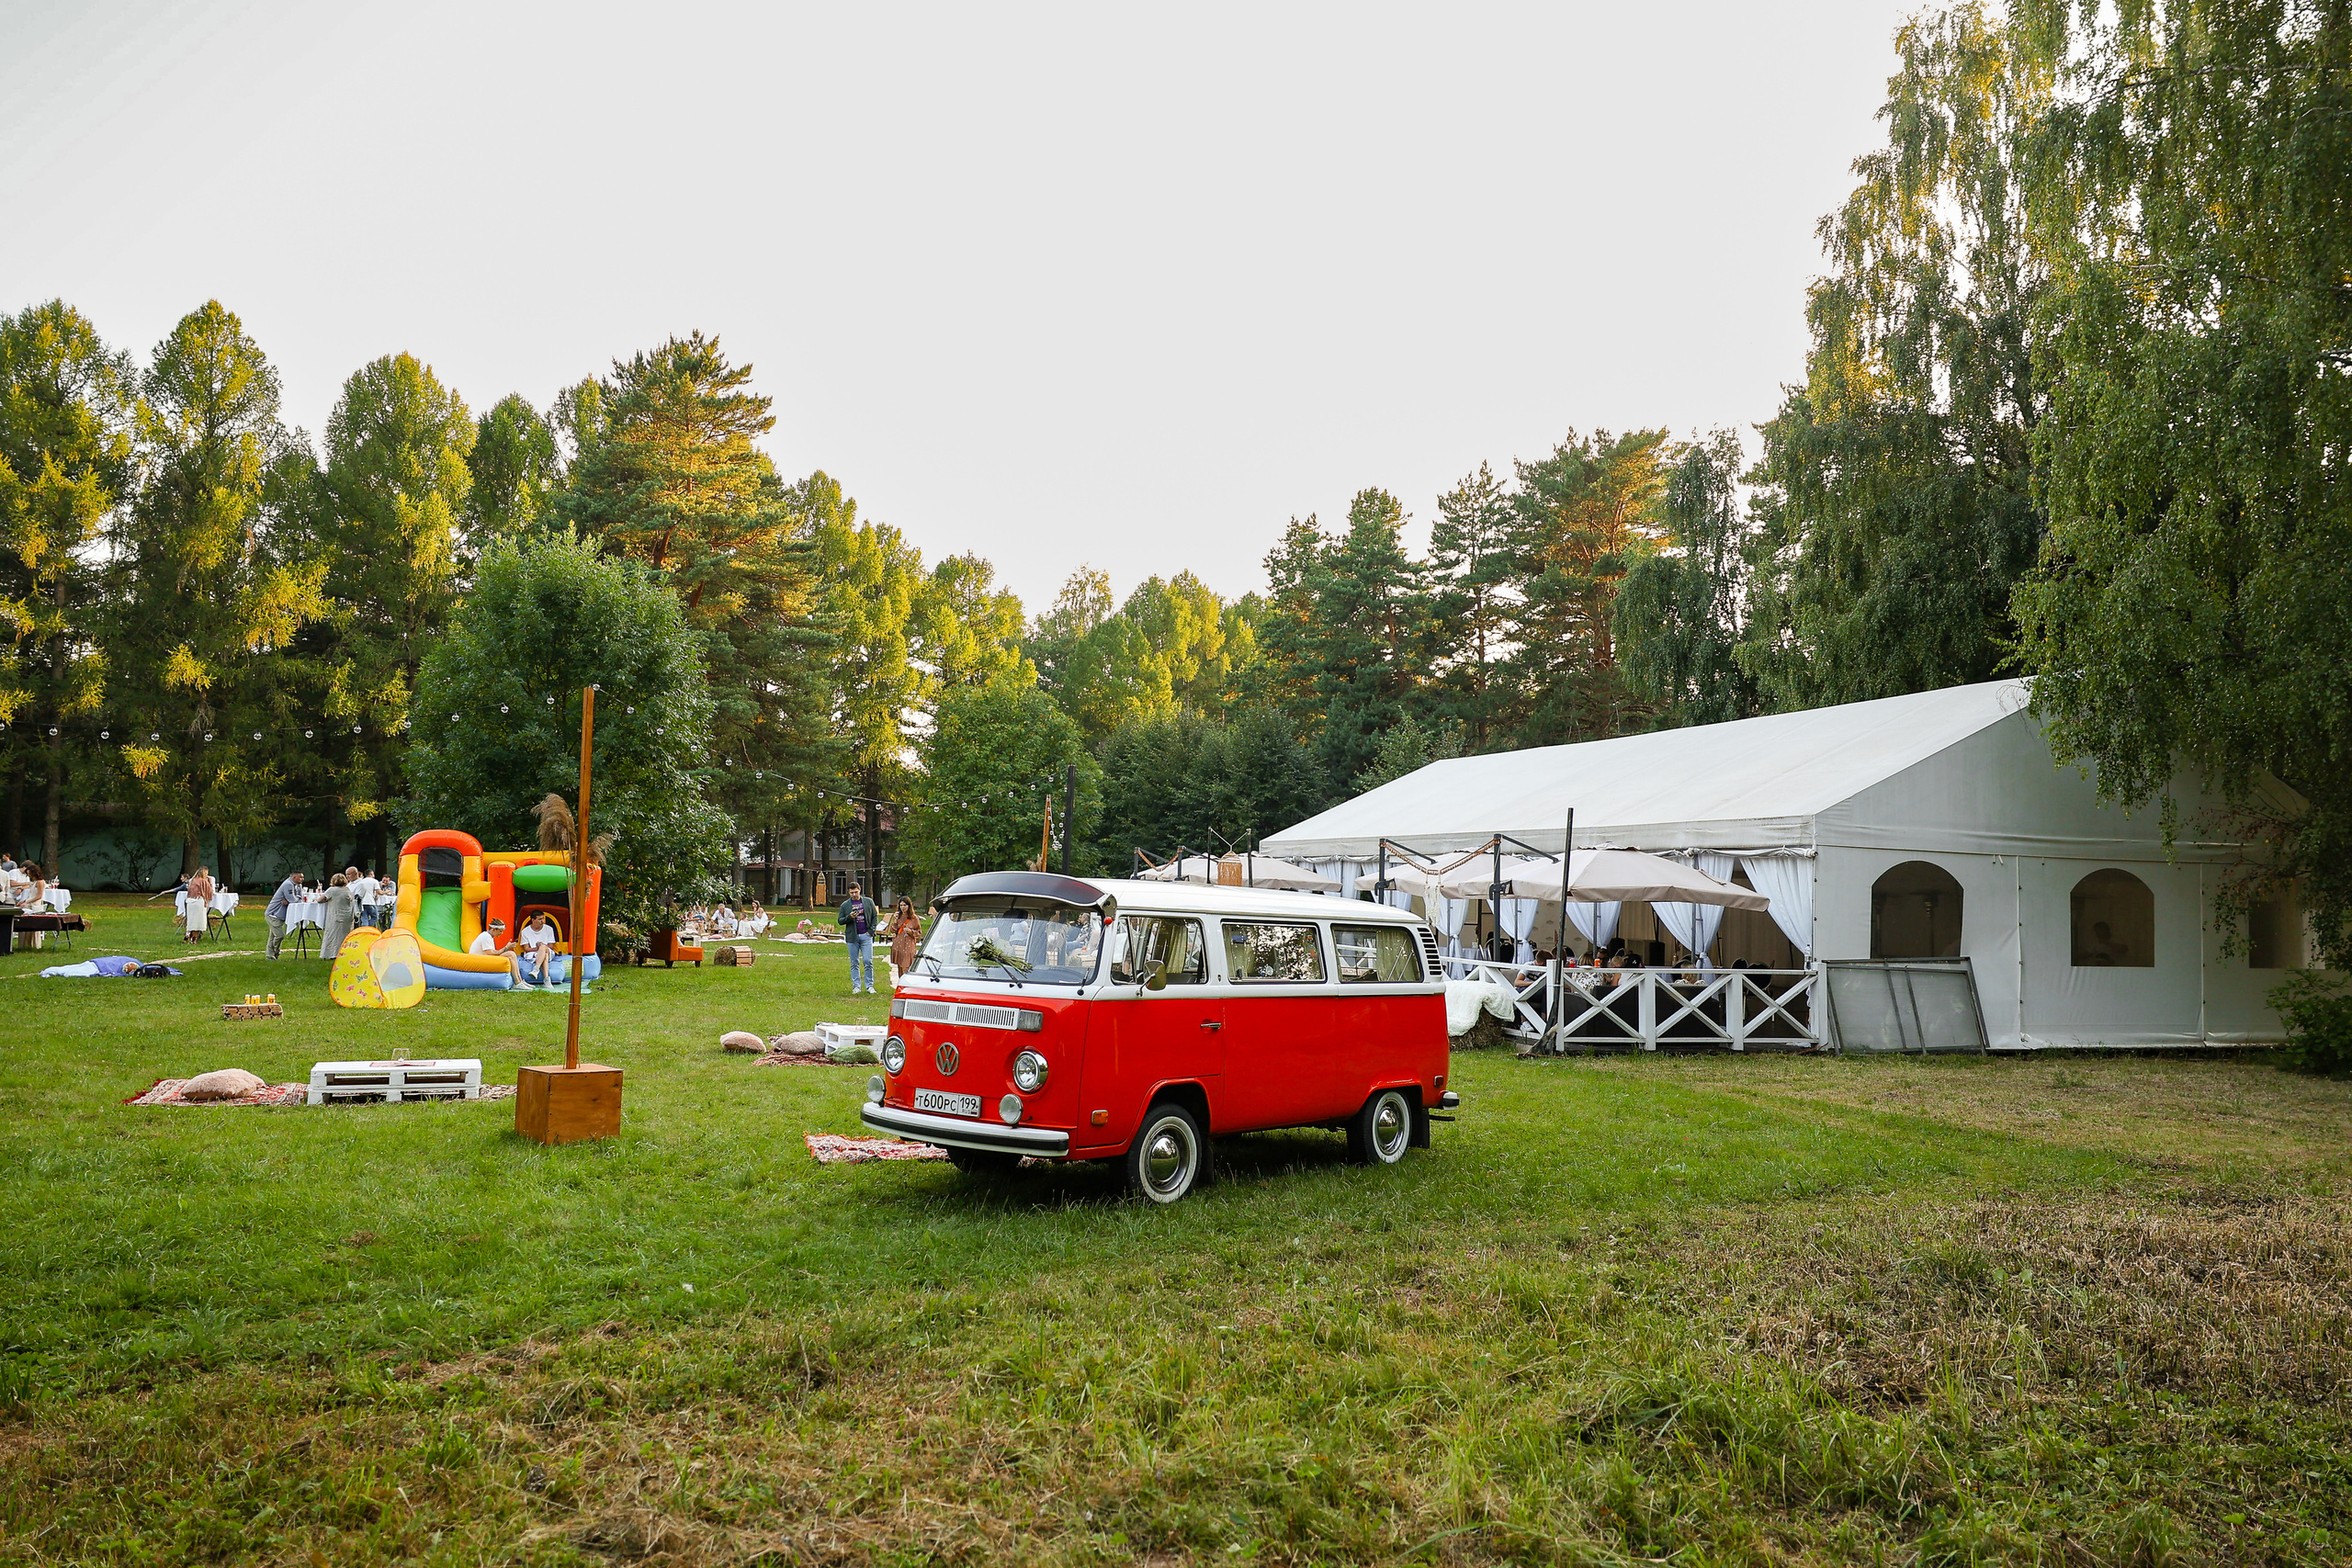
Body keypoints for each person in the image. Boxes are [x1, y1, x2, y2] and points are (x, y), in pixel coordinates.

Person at [839, 880, 877, 994]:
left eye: (856, 892)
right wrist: (850, 917)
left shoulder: (868, 902)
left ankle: (869, 986)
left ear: (860, 890)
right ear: (849, 893)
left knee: (867, 961)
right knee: (854, 962)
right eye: (852, 893)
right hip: (852, 937)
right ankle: (856, 986)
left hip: (866, 936)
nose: (854, 895)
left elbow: (875, 916)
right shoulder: (845, 905)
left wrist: (871, 931)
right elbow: (840, 921)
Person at [263, 870, 307, 958]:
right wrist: (295, 899)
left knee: (272, 937)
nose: (302, 879)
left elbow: (300, 898)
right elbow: (293, 900)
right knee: (279, 936)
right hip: (273, 914)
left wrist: (295, 898)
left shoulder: (298, 885)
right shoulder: (288, 884)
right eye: (300, 877)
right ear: (294, 877)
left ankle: (270, 956)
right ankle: (275, 952)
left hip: (280, 915)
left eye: (303, 877)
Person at [513, 910, 560, 989]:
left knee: (544, 948)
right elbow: (527, 949)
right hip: (533, 953)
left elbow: (551, 946)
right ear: (533, 920)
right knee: (544, 955)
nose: (542, 921)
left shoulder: (549, 929)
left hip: (548, 951)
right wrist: (537, 948)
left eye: (543, 919)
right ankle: (547, 980)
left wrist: (542, 946)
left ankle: (536, 969)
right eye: (540, 919)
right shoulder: (525, 931)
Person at [319, 873, 357, 963]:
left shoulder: (332, 890)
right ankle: (345, 952)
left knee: (333, 934)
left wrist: (323, 900)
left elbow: (320, 900)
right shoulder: (347, 890)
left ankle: (333, 953)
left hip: (335, 915)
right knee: (345, 935)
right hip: (347, 916)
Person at [885, 897, 922, 985]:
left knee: (907, 966)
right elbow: (893, 930)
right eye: (901, 905)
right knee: (900, 967)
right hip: (899, 945)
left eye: (904, 905)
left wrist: (910, 932)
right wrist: (895, 920)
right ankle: (901, 984)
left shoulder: (914, 918)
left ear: (909, 906)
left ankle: (908, 984)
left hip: (909, 946)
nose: (902, 907)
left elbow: (919, 932)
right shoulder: (899, 916)